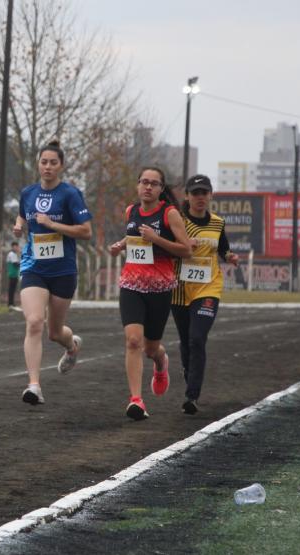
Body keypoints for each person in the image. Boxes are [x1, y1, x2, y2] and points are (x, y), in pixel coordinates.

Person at [12, 140, 92, 405]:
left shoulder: (70, 194)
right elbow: (24, 216)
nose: (47, 167)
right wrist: (18, 224)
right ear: (38, 164)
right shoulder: (28, 192)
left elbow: (86, 231)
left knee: (54, 332)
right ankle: (34, 385)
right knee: (34, 321)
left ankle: (71, 346)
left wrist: (54, 225)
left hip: (63, 270)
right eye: (43, 162)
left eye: (53, 163)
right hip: (34, 266)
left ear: (61, 166)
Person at [109, 167, 192, 420]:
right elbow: (134, 236)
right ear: (138, 185)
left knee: (150, 348)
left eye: (154, 184)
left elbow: (186, 250)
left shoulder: (170, 214)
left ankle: (161, 362)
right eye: (144, 182)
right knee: (133, 340)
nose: (148, 187)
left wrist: (157, 239)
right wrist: (121, 245)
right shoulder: (131, 211)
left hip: (160, 288)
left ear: (161, 189)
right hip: (131, 285)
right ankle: (136, 400)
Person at [171, 174, 239, 415]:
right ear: (187, 196)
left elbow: (223, 248)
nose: (200, 198)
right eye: (195, 193)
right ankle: (190, 374)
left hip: (208, 287)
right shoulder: (177, 221)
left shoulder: (217, 223)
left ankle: (192, 395)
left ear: (211, 195)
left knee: (197, 338)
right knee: (186, 340)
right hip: (179, 290)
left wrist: (230, 256)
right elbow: (167, 247)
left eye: (204, 193)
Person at [6, 241, 20, 308]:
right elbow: (15, 264)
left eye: (17, 246)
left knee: (13, 289)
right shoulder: (11, 254)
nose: (16, 248)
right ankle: (10, 303)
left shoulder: (15, 254)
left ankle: (11, 303)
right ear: (12, 247)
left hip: (15, 274)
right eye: (15, 246)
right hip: (12, 274)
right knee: (11, 289)